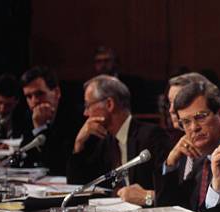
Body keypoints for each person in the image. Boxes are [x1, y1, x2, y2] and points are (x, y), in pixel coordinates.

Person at [67, 75, 170, 205]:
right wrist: (79, 143)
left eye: (88, 105)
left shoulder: (152, 137)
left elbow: (169, 191)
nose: (85, 113)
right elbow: (78, 186)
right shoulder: (107, 141)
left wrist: (148, 198)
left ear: (109, 104)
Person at [156, 74, 220, 210]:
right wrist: (171, 163)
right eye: (186, 122)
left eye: (201, 117)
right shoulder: (196, 152)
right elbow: (170, 208)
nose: (194, 128)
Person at [19, 66, 83, 176]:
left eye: (39, 94)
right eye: (29, 96)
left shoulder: (75, 116)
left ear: (57, 92)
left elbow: (58, 164)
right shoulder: (29, 115)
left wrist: (40, 128)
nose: (34, 101)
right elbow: (25, 158)